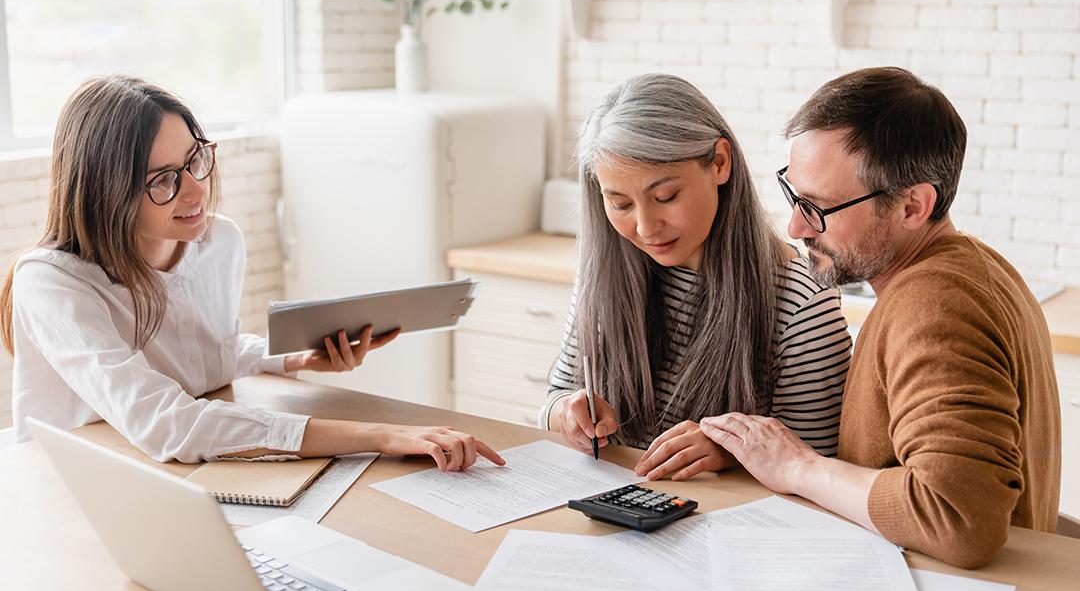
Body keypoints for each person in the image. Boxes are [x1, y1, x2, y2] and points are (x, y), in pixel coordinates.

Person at [1, 75, 503, 471]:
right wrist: (382, 435)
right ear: (103, 190)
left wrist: (294, 359)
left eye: (195, 160)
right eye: (164, 181)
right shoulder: (53, 284)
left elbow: (199, 359)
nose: (196, 191)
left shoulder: (218, 243)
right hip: (69, 484)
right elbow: (166, 423)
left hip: (169, 473)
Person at [700, 66, 1061, 569]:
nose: (796, 225)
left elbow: (959, 519)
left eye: (818, 205)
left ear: (913, 205)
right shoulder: (979, 267)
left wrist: (797, 466)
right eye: (793, 194)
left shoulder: (933, 304)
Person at [542, 73, 851, 479]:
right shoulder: (604, 273)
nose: (646, 227)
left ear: (720, 162)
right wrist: (568, 413)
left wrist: (732, 451)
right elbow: (553, 400)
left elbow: (818, 467)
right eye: (619, 204)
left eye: (665, 196)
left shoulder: (802, 301)